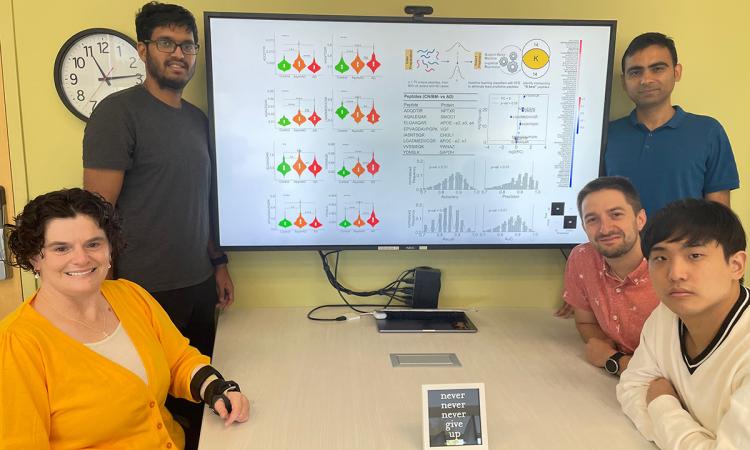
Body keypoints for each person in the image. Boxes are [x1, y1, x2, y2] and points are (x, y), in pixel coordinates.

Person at [82, 3, 231, 446]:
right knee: (150, 409)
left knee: (198, 403)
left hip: (199, 285)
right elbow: (95, 213)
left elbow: (202, 202)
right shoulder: (118, 113)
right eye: (167, 43)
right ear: (143, 50)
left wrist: (218, 264)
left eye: (188, 46)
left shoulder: (198, 120)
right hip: (140, 293)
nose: (179, 54)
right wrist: (98, 294)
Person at [0, 188, 249, 449]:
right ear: (34, 258)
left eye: (93, 244)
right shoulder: (15, 344)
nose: (81, 258)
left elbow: (178, 360)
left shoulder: (129, 295)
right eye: (61, 248)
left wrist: (216, 389)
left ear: (110, 249)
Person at [617, 199, 749, 449]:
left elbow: (650, 395)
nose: (675, 273)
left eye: (695, 255)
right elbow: (632, 387)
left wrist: (663, 403)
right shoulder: (668, 314)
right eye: (660, 258)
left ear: (736, 265)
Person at [605, 32, 739, 216]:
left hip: (688, 245)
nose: (646, 80)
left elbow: (720, 218)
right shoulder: (607, 134)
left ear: (677, 72)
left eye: (657, 68)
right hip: (623, 245)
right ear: (624, 81)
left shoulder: (708, 131)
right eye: (635, 72)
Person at [562, 177, 660, 375]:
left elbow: (683, 374)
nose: (604, 229)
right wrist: (606, 350)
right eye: (592, 219)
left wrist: (612, 360)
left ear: (640, 219)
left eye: (616, 214)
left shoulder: (669, 269)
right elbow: (586, 323)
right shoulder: (582, 259)